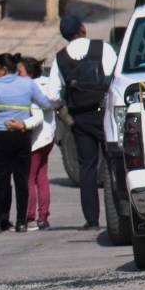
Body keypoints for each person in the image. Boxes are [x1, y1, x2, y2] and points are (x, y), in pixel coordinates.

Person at [46, 14, 118, 230]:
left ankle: (91, 219)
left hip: (80, 118)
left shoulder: (60, 58)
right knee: (114, 164)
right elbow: (116, 77)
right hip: (105, 114)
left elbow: (52, 94)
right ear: (82, 29)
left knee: (87, 167)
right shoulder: (102, 48)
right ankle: (120, 212)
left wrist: (64, 107)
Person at [0, 53, 52, 233]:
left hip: (1, 136)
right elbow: (45, 103)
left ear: (3, 69)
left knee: (0, 180)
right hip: (21, 136)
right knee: (21, 180)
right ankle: (21, 222)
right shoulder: (28, 83)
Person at [22, 57, 55, 230]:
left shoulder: (31, 87)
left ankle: (30, 217)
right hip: (49, 137)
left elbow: (37, 117)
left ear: (29, 73)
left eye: (20, 72)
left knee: (30, 178)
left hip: (36, 139)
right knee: (42, 177)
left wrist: (22, 125)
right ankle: (43, 216)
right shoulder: (49, 82)